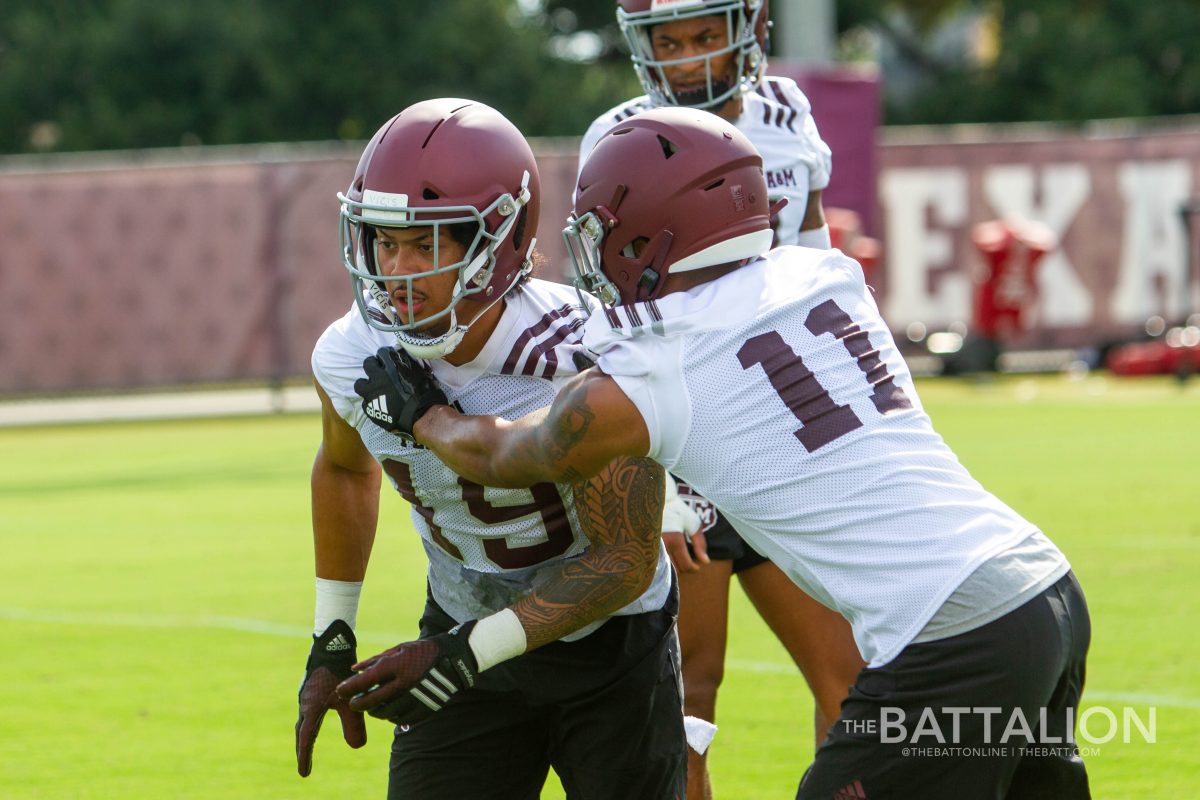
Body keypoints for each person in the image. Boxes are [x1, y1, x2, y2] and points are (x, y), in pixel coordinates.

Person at [357, 108, 1092, 799]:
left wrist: (425, 415)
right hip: (1043, 591)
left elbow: (506, 456)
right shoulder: (824, 277)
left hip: (951, 638)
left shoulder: (656, 366)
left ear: (649, 238)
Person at [294, 98, 687, 800]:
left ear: (498, 240)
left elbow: (624, 562)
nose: (396, 273)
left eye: (426, 245)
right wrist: (332, 635)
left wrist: (462, 654)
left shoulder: (584, 347)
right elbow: (348, 470)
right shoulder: (351, 351)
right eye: (383, 241)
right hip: (458, 627)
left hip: (608, 649)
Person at [580, 2, 862, 793]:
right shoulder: (621, 137)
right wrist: (660, 489)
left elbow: (817, 286)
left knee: (855, 684)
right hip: (692, 446)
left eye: (707, 35)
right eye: (668, 42)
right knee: (691, 694)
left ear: (750, 29)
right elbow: (610, 329)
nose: (691, 59)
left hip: (782, 444)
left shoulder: (786, 112)